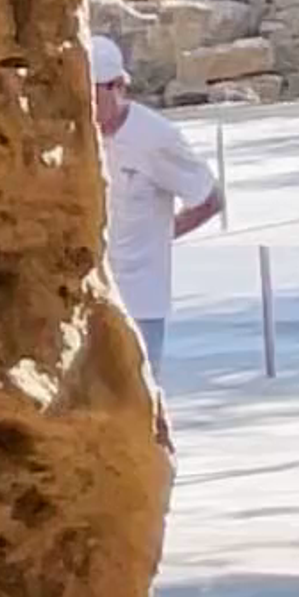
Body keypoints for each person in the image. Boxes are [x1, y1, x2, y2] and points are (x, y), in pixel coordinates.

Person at [88, 31, 222, 404]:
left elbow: (209, 197)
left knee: (135, 404)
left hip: (138, 298)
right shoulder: (78, 135)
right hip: (91, 295)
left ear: (118, 86)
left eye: (94, 92)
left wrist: (162, 234)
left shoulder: (155, 137)